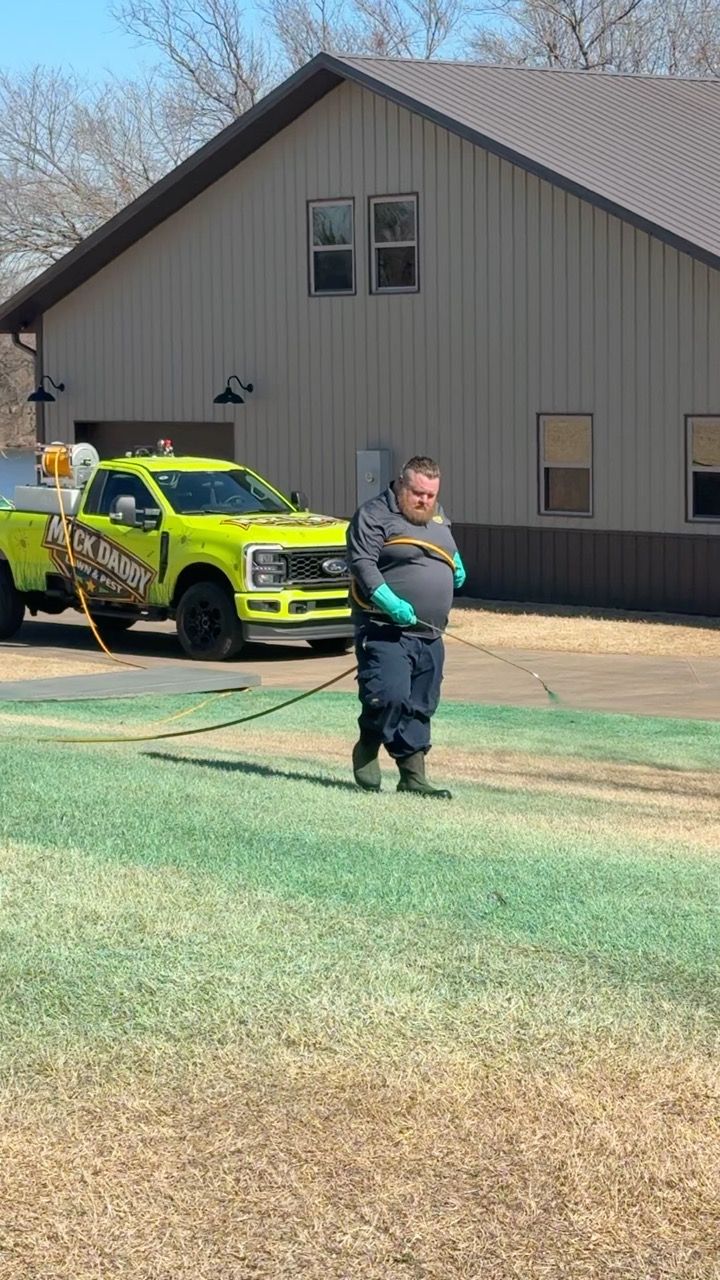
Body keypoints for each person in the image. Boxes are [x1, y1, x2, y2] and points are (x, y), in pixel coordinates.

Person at [346, 456, 466, 798]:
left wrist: (456, 563)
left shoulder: (437, 514)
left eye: (431, 495)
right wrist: (389, 601)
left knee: (420, 704)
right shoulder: (373, 515)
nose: (425, 501)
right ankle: (368, 743)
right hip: (385, 629)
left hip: (430, 634)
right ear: (401, 484)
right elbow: (362, 564)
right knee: (389, 696)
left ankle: (413, 778)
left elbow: (446, 546)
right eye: (418, 493)